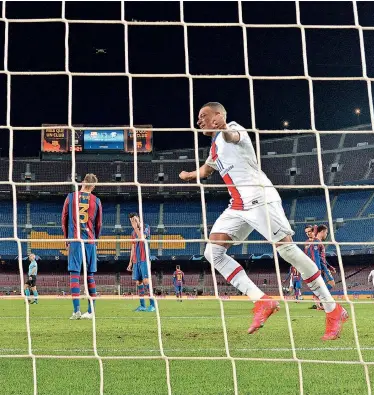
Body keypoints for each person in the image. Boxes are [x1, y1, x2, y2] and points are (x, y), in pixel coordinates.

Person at [179, 102, 348, 340]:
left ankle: (333, 308)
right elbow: (206, 171)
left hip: (259, 198)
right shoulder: (215, 148)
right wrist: (189, 175)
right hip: (238, 206)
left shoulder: (234, 131)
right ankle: (262, 301)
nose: (199, 121)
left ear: (219, 115)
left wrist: (225, 127)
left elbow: (233, 135)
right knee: (213, 252)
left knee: (287, 251)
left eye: (203, 116)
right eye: (198, 118)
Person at [62, 173, 102, 320]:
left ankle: (76, 311)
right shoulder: (96, 201)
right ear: (93, 186)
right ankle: (91, 312)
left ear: (83, 182)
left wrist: (67, 239)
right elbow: (99, 224)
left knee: (74, 274)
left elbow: (64, 219)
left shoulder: (71, 197)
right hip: (90, 242)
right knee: (90, 275)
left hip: (75, 241)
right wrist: (95, 240)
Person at [127, 213, 155, 312]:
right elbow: (133, 247)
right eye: (131, 220)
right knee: (138, 282)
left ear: (138, 218)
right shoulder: (132, 233)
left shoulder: (146, 227)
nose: (133, 222)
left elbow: (142, 237)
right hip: (136, 260)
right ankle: (142, 306)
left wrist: (136, 228)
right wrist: (130, 262)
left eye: (134, 219)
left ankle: (152, 305)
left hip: (145, 258)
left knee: (146, 280)